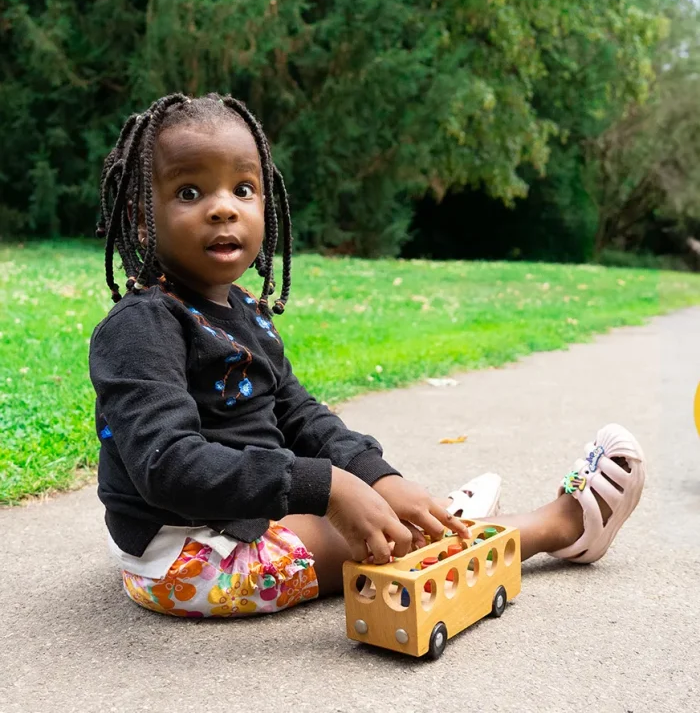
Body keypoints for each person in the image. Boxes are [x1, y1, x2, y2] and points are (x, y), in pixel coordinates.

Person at [90, 93, 646, 618]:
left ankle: (449, 514)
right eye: (190, 192)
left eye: (243, 189)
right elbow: (168, 464)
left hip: (243, 522)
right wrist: (328, 487)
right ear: (141, 215)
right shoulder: (140, 327)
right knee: (394, 539)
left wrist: (375, 477)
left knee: (379, 509)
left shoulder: (245, 312)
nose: (223, 209)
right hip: (187, 556)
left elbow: (299, 416)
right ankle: (557, 528)